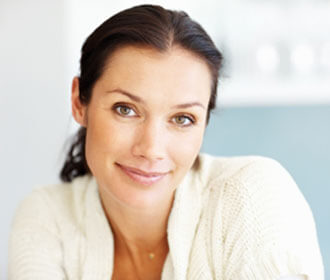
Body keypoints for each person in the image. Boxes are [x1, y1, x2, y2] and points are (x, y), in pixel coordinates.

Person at [8, 4, 324, 280]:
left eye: (182, 118)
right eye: (126, 109)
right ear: (79, 102)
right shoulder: (48, 217)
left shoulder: (253, 196)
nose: (151, 149)